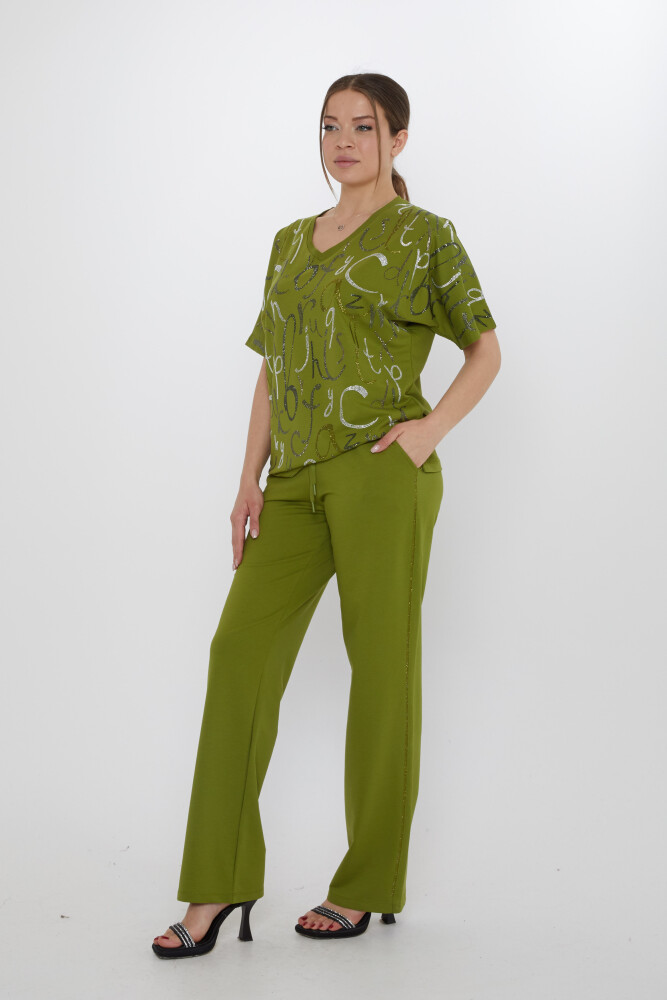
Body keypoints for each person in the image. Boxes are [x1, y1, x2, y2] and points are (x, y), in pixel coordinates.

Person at [152, 71, 501, 957]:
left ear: (397, 139)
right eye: (330, 127)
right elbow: (272, 367)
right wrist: (247, 479)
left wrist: (426, 433)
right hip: (292, 483)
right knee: (237, 655)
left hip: (381, 473)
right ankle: (217, 883)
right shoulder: (288, 242)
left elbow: (485, 348)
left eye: (363, 127)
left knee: (382, 671)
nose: (343, 142)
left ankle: (366, 885)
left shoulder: (423, 235)